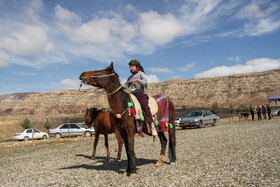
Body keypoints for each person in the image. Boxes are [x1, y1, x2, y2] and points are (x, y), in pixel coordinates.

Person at [124, 60, 157, 136]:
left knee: (145, 107)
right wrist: (124, 85)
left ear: (136, 66)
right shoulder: (130, 77)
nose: (131, 68)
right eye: (130, 67)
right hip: (133, 94)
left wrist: (137, 80)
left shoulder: (141, 74)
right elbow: (126, 87)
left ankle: (152, 125)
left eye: (132, 66)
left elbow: (145, 82)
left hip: (141, 94)